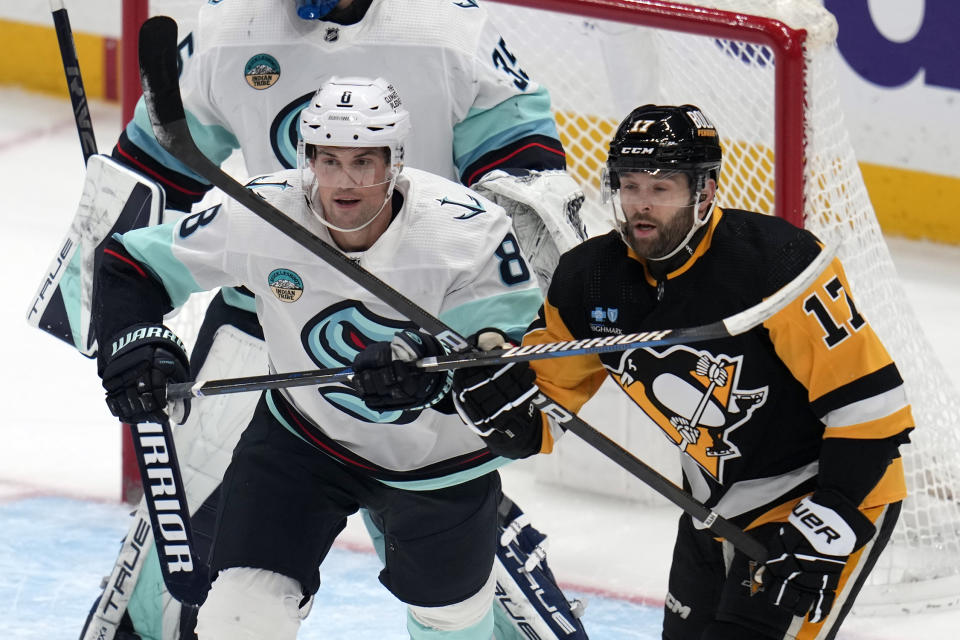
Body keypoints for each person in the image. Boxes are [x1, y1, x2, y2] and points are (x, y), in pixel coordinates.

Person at [78, 2, 591, 639]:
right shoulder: (230, 34)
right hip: (272, 316)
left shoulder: (446, 32)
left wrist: (460, 359)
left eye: (365, 160)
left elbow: (525, 186)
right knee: (215, 566)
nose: (344, 178)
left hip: (433, 318)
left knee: (453, 604)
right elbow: (148, 184)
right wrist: (125, 329)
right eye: (328, 159)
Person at [449, 104, 914, 639]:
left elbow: (871, 408)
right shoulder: (590, 280)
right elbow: (535, 414)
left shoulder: (778, 263)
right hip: (708, 507)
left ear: (705, 192)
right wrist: (466, 383)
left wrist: (833, 515)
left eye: (661, 187)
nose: (641, 205)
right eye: (629, 186)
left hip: (820, 492)